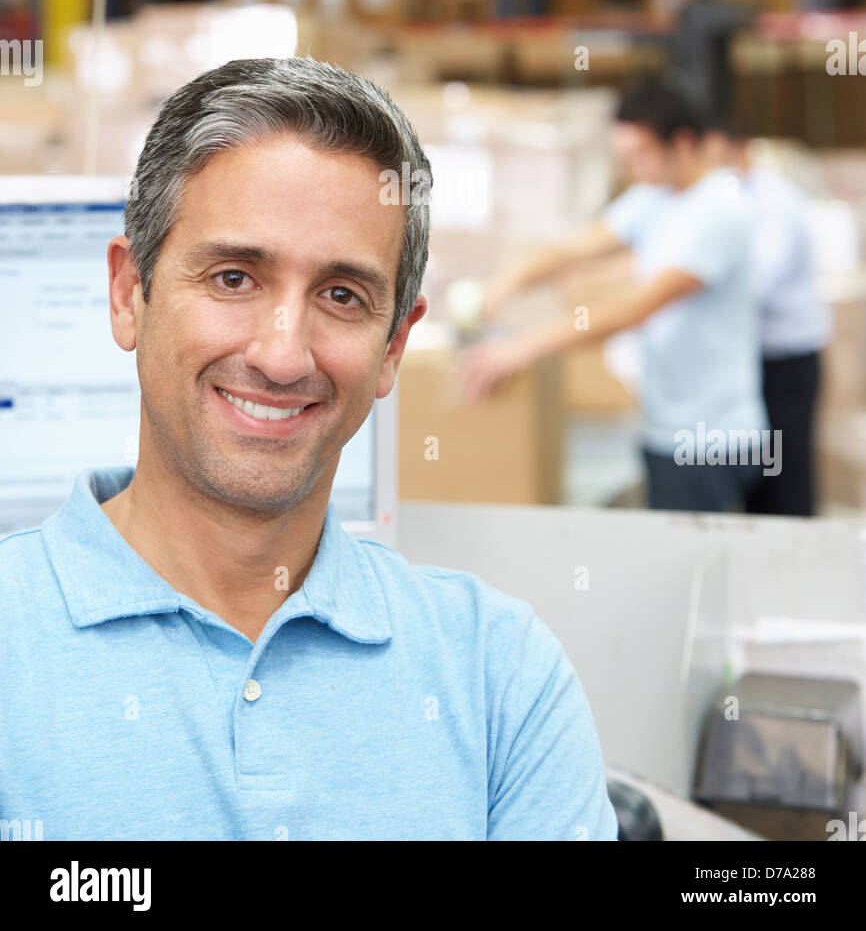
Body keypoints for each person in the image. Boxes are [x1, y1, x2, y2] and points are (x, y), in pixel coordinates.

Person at [0, 56, 617, 842]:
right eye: (233, 278)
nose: (284, 355)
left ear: (394, 346)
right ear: (129, 294)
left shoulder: (500, 676)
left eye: (341, 296)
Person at [459, 79, 769, 513]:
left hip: (709, 438)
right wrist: (505, 282)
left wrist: (520, 348)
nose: (630, 170)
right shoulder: (655, 197)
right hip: (664, 425)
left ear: (681, 143)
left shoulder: (720, 210)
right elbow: (577, 246)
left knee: (697, 572)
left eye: (639, 155)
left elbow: (635, 308)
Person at [704, 119, 830, 517]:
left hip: (785, 360)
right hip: (747, 360)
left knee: (787, 474)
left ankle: (796, 568)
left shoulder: (776, 203)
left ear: (742, 151)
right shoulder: (725, 201)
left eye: (720, 159)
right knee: (754, 472)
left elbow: (758, 283)